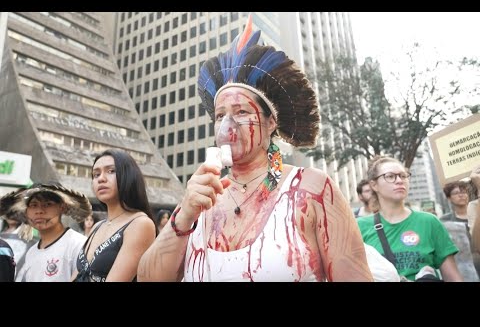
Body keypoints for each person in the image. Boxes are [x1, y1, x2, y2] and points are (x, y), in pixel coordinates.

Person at [138, 15, 373, 282]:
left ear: (271, 121)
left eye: (241, 112)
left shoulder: (313, 190)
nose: (227, 125)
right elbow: (148, 278)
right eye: (219, 116)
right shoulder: (201, 200)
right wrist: (184, 214)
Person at [357, 156, 463, 282]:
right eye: (390, 176)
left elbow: (453, 277)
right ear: (374, 185)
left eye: (403, 176)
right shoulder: (359, 227)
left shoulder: (429, 222)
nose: (399, 181)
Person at [72, 149, 157, 282]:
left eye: (111, 171)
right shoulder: (96, 227)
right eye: (96, 174)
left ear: (129, 176)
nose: (101, 179)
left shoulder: (140, 224)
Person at [0, 182, 90, 282]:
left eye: (48, 204)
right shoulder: (31, 253)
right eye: (33, 205)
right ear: (26, 212)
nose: (39, 211)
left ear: (62, 207)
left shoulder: (78, 244)